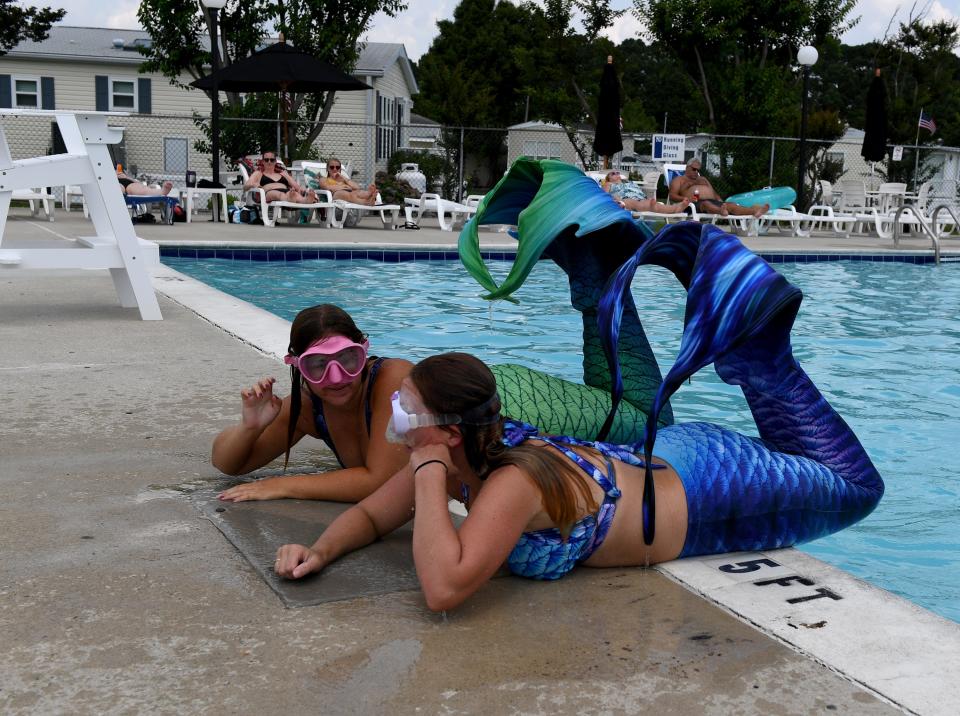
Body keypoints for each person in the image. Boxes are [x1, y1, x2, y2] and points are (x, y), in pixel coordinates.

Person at [276, 345, 883, 611]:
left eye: (406, 406)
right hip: (660, 455)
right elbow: (375, 514)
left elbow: (444, 589)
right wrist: (320, 550)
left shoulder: (510, 480)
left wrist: (429, 469)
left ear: (447, 432)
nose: (394, 414)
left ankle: (763, 355)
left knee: (855, 488)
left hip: (712, 490)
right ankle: (754, 359)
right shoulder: (466, 451)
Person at [213, 304, 413, 503]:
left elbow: (385, 482)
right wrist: (250, 428)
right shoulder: (309, 406)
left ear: (363, 351)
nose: (336, 378)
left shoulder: (396, 380)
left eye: (347, 359)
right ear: (299, 366)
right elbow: (227, 464)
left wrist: (281, 485)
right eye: (318, 364)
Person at [668, 157, 769, 218]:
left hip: (711, 201)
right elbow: (672, 195)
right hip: (694, 203)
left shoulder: (701, 178)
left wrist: (721, 201)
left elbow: (714, 193)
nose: (696, 172)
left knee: (731, 205)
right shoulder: (679, 180)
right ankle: (720, 211)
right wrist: (685, 199)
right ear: (687, 168)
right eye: (694, 169)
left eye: (697, 170)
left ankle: (755, 211)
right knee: (706, 204)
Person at [243, 152, 319, 205]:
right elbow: (245, 186)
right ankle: (289, 199)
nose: (269, 162)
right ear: (263, 162)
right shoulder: (258, 173)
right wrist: (253, 184)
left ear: (275, 162)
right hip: (268, 193)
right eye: (266, 160)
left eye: (272, 160)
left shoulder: (283, 173)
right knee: (279, 194)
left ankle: (306, 200)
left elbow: (297, 187)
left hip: (287, 191)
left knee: (294, 193)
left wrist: (287, 177)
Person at [604, 171, 690, 214]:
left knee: (649, 203)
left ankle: (676, 208)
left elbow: (638, 191)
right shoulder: (609, 184)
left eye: (617, 172)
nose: (616, 174)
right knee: (641, 203)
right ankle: (673, 208)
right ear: (609, 179)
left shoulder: (628, 182)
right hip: (624, 200)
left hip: (639, 198)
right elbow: (604, 195)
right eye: (613, 174)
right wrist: (615, 199)